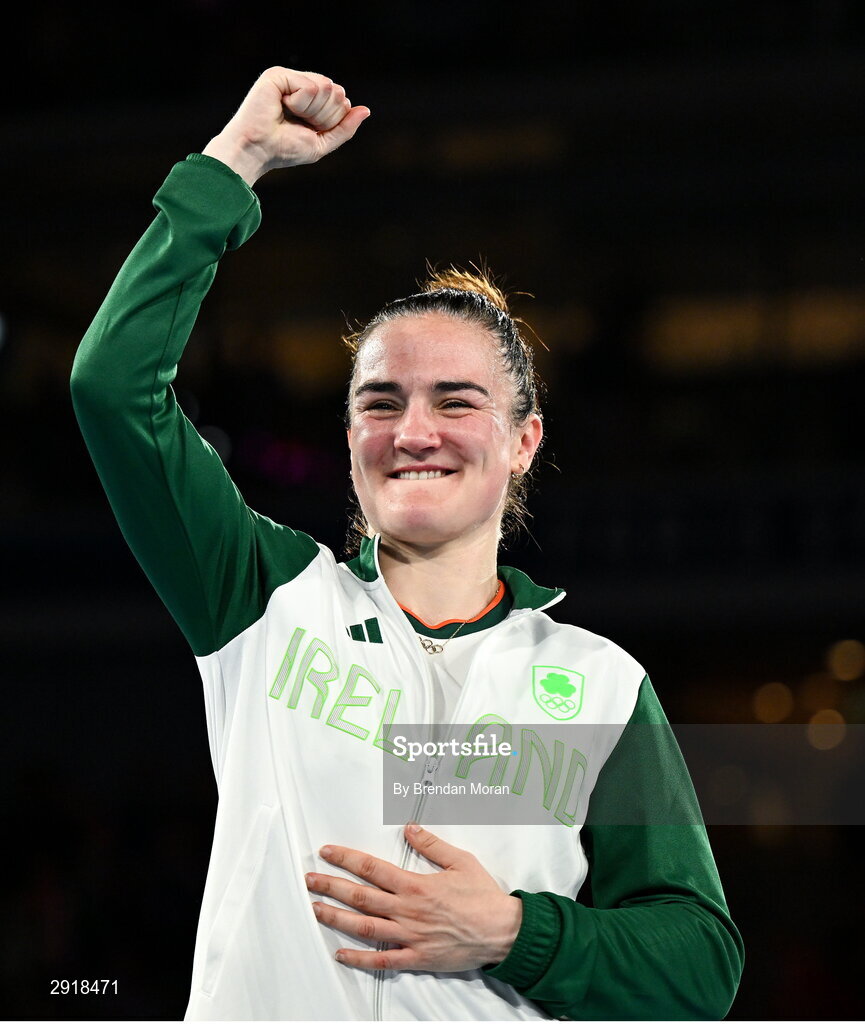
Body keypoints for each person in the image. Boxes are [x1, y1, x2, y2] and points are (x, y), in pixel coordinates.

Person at [71, 66, 744, 1021]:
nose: (413, 431)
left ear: (523, 440)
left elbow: (699, 967)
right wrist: (240, 160)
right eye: (378, 403)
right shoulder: (261, 599)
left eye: (455, 401)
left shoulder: (598, 685)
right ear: (349, 439)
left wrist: (516, 931)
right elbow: (112, 388)